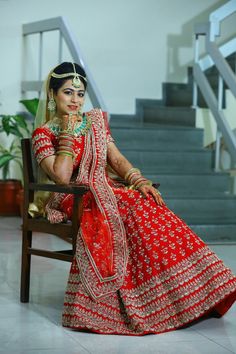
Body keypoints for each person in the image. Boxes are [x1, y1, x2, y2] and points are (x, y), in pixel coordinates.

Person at [32, 61, 236, 335]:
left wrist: (139, 181)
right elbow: (62, 177)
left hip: (105, 188)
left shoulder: (94, 123)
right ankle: (138, 298)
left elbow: (116, 159)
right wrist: (67, 133)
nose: (75, 100)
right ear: (53, 94)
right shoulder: (44, 134)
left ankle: (188, 290)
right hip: (74, 197)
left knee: (145, 203)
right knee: (130, 210)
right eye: (68, 92)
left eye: (80, 94)